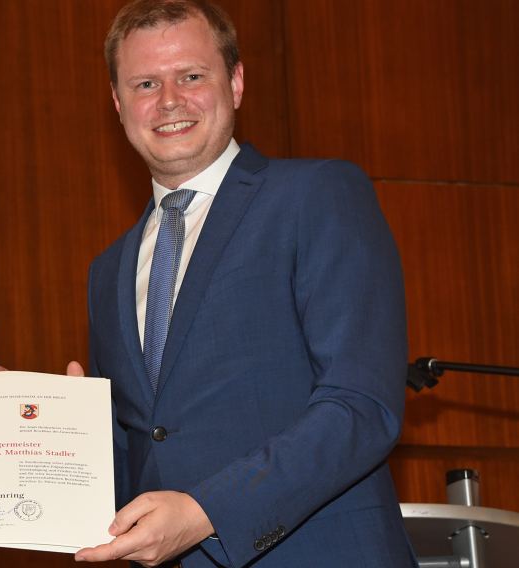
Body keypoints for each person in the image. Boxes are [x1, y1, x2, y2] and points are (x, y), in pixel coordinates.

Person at [68, 1, 418, 566]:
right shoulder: (107, 270)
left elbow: (361, 406)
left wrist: (207, 511)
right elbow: (139, 450)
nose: (169, 101)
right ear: (117, 104)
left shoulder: (318, 196)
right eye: (145, 83)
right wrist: (55, 427)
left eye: (191, 76)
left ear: (235, 82)